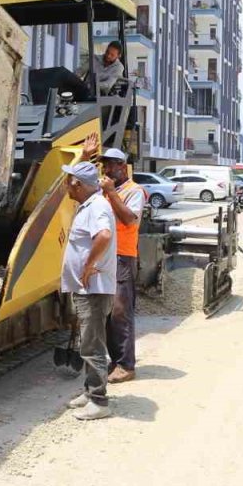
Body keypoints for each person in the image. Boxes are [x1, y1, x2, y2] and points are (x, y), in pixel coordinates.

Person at [59, 159, 117, 420]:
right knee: (88, 341)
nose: (66, 185)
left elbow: (104, 235)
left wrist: (88, 265)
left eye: (68, 181)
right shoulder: (88, 205)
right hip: (86, 289)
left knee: (92, 345)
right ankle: (89, 390)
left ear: (78, 184)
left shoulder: (97, 206)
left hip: (94, 289)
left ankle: (99, 401)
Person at [99, 148, 145, 382]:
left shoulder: (134, 191)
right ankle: (116, 360)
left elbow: (129, 219)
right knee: (108, 311)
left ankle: (126, 365)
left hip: (122, 256)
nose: (106, 170)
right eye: (104, 165)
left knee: (120, 311)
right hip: (105, 255)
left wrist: (110, 193)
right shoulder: (107, 191)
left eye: (110, 165)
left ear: (122, 166)